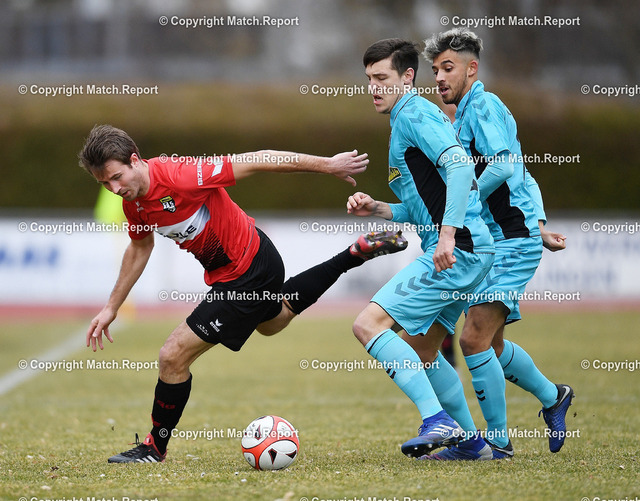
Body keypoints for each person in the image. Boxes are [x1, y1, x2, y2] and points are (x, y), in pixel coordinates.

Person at [79, 124, 407, 463]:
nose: (114, 189)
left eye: (116, 177)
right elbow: (139, 247)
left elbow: (259, 159)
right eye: (104, 184)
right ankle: (354, 254)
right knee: (273, 321)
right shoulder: (134, 203)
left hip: (247, 272)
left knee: (172, 356)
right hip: (247, 267)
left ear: (135, 160)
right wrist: (111, 307)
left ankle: (154, 447)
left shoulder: (181, 174)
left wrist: (329, 165)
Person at [420, 28, 573, 460]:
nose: (439, 78)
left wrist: (465, 201)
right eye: (435, 70)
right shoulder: (467, 113)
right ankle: (554, 396)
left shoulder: (483, 105)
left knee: (472, 340)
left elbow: (504, 165)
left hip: (510, 242)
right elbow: (523, 170)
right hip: (502, 239)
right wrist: (540, 223)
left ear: (472, 68)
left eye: (448, 68)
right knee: (492, 344)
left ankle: (498, 443)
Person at [347, 39, 495, 457]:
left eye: (382, 77)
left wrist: (447, 236)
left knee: (368, 325)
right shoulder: (404, 121)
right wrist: (379, 208)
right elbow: (422, 205)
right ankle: (471, 445)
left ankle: (437, 421)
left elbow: (460, 167)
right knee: (423, 350)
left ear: (407, 77)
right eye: (369, 79)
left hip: (457, 249)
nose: (373, 87)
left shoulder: (414, 113)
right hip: (466, 249)